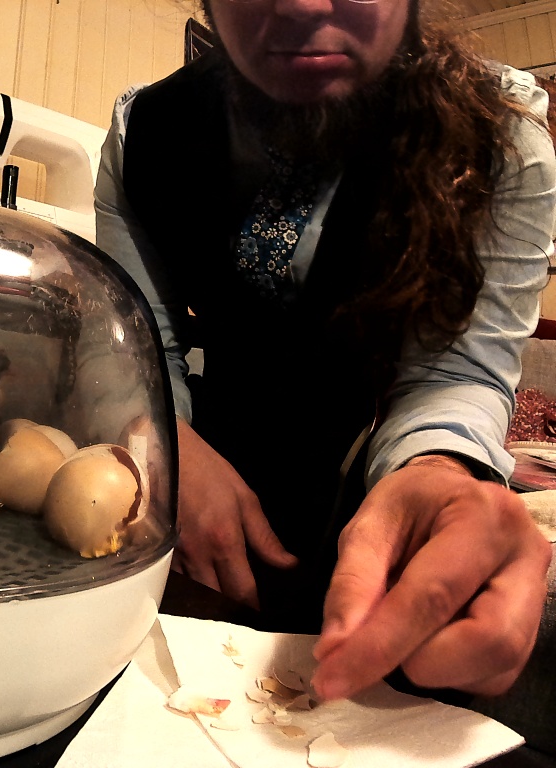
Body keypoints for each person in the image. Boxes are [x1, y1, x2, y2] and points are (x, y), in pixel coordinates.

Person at [94, 0, 556, 702]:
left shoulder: (502, 135)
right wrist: (166, 444)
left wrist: (441, 468)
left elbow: (457, 370)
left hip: (375, 493)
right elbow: (135, 340)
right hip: (196, 501)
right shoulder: (144, 132)